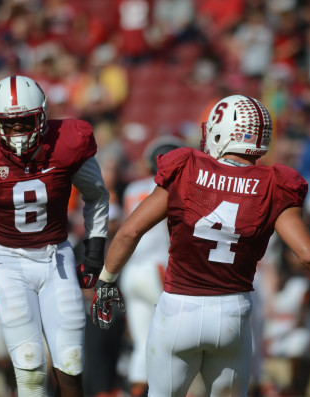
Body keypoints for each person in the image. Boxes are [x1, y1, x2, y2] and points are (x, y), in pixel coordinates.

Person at [89, 94, 310, 397]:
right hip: (232, 314)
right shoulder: (274, 184)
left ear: (222, 131)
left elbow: (128, 232)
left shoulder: (186, 169)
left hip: (178, 308)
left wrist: (106, 280)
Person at [0, 75, 109, 397]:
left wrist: (94, 252)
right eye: (9, 124)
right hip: (7, 260)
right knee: (30, 366)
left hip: (56, 256)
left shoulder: (67, 142)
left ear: (43, 116)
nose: (17, 132)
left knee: (72, 363)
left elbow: (97, 194)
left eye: (25, 122)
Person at [119, 135, 184, 397]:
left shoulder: (132, 189)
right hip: (158, 268)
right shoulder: (175, 189)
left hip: (132, 270)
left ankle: (137, 391)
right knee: (176, 342)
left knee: (142, 343)